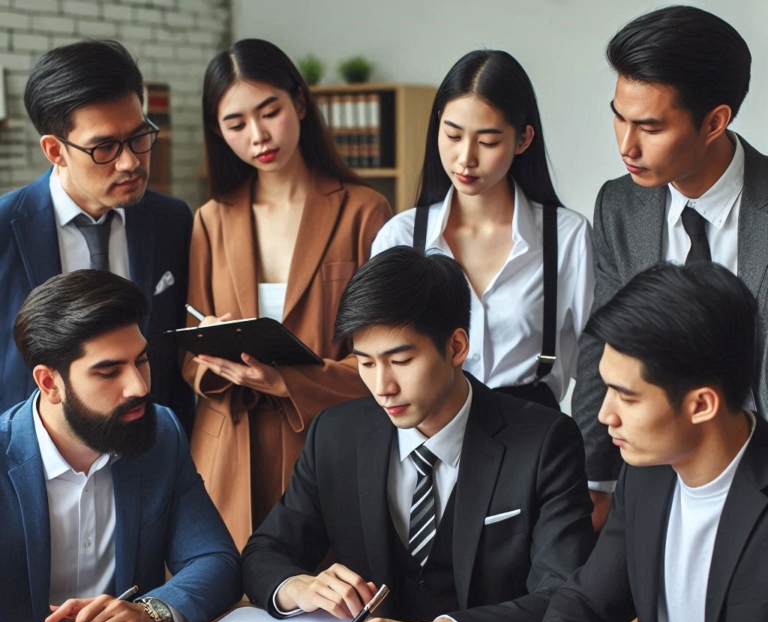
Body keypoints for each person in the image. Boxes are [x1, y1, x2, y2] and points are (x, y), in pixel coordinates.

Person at [242, 247, 595, 622]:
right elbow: (264, 552)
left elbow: (565, 592)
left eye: (401, 360)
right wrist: (300, 587)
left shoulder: (543, 441)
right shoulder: (336, 434)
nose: (382, 386)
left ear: (457, 346)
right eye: (365, 363)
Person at [510, 262, 768, 622]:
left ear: (702, 404)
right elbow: (589, 600)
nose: (605, 414)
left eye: (626, 396)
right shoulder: (648, 472)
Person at [183, 39, 392, 549]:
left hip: (326, 443)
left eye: (269, 111)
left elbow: (384, 355)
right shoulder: (210, 220)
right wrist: (214, 355)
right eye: (236, 124)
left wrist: (289, 381)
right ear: (219, 132)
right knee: (226, 607)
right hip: (229, 453)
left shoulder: (364, 211)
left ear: (299, 103)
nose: (258, 136)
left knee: (325, 603)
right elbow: (187, 354)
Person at [572, 5, 766, 530]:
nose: (626, 146)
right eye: (619, 116)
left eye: (650, 127)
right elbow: (602, 343)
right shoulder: (620, 204)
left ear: (714, 122)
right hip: (658, 472)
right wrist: (592, 479)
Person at [0, 270, 241, 622]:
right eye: (109, 372)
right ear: (49, 382)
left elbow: (215, 560)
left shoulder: (160, 432)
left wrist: (154, 613)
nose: (139, 386)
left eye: (141, 360)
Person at [371, 50, 594, 411]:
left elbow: (597, 362)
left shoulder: (567, 237)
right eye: (453, 135)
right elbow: (377, 354)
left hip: (534, 436)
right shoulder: (399, 237)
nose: (466, 158)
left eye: (487, 142)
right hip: (430, 433)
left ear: (523, 140)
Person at [0, 40, 195, 433]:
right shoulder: (5, 227)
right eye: (104, 147)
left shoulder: (172, 220)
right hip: (32, 461)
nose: (131, 161)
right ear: (55, 150)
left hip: (151, 446)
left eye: (140, 137)